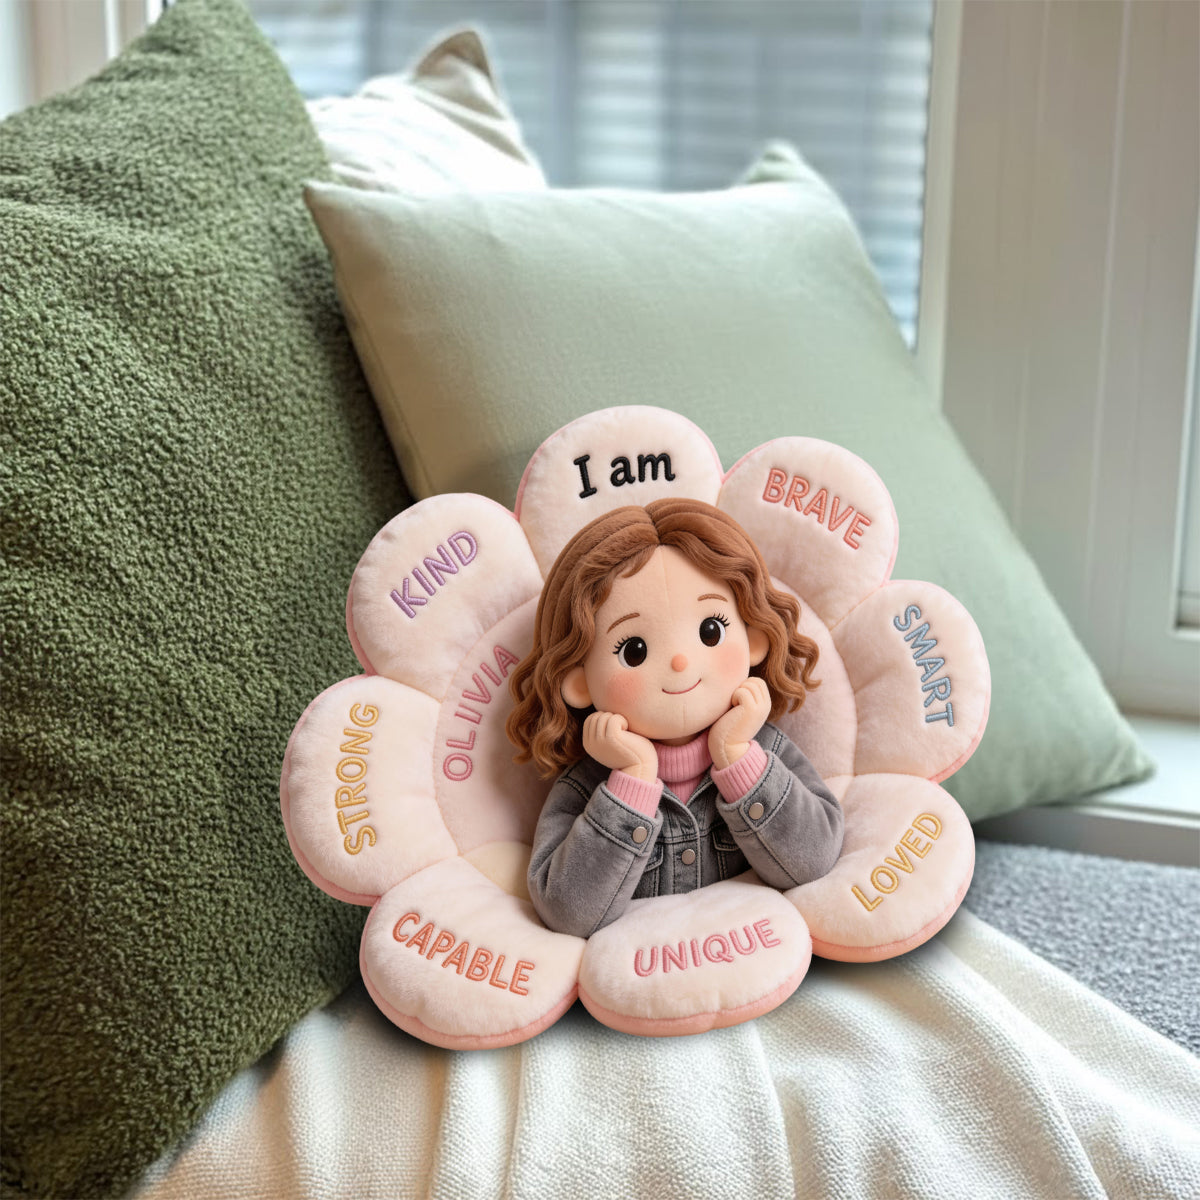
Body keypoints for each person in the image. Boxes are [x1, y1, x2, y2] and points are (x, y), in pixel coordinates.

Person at [507, 498, 844, 938]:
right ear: (579, 681)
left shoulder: (766, 749)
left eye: (710, 630)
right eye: (634, 651)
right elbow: (567, 913)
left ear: (755, 638)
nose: (681, 661)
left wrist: (739, 758)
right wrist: (632, 781)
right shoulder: (587, 785)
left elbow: (815, 859)